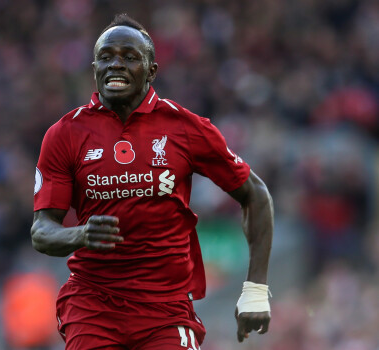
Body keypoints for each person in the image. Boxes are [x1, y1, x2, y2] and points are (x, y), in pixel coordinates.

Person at [31, 13, 273, 350]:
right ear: (94, 67)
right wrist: (81, 234)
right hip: (93, 307)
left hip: (166, 309)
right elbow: (42, 231)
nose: (116, 65)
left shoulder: (185, 128)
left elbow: (255, 194)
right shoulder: (64, 135)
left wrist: (256, 291)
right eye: (106, 57)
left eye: (129, 58)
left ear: (152, 71)